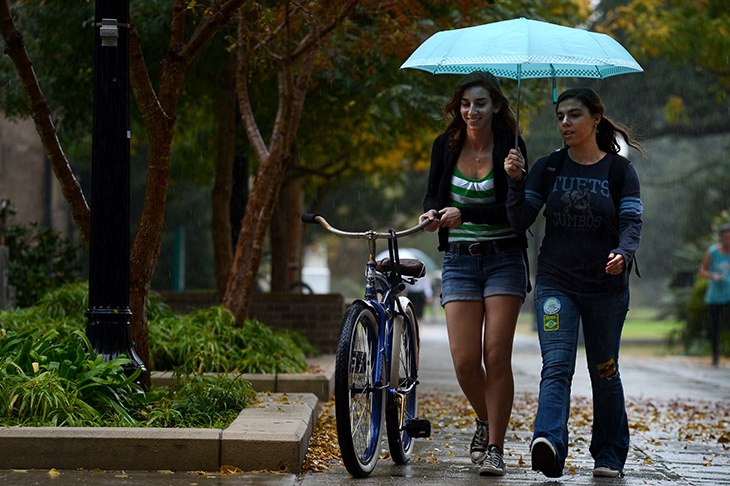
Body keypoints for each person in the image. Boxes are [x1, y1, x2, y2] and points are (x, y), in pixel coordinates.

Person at [504, 87, 643, 479]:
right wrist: (515, 181)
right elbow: (519, 222)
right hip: (556, 285)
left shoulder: (619, 172)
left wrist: (624, 253)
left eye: (574, 115)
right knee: (557, 365)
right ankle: (547, 442)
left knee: (604, 368)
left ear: (596, 118)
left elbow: (632, 222)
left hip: (606, 288)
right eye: (560, 116)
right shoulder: (548, 167)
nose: (565, 122)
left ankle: (609, 453)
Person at [419, 71, 529, 476]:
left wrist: (517, 179)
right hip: (460, 261)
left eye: (480, 103)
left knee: (495, 356)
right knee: (465, 362)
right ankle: (486, 417)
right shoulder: (445, 146)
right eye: (466, 104)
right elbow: (434, 192)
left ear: (496, 106)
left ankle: (496, 446)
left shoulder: (513, 149)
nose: (472, 111)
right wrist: (432, 213)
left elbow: (517, 215)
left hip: (504, 258)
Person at [699, 224, 730, 366]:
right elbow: (702, 271)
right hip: (715, 295)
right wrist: (713, 275)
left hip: (728, 292)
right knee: (715, 326)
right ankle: (715, 355)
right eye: (726, 238)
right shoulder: (712, 252)